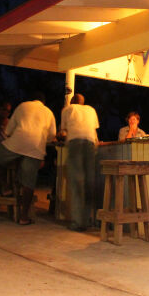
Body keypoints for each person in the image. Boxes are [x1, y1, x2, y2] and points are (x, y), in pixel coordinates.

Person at [0, 92, 56, 225]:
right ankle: (23, 217)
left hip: (17, 143)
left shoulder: (22, 106)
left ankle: (6, 186)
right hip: (36, 148)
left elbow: (8, 131)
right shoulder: (49, 112)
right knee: (29, 184)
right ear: (43, 102)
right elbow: (51, 135)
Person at [60, 93, 99, 232]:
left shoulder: (67, 109)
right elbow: (94, 133)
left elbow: (63, 132)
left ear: (71, 101)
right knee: (89, 183)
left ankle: (77, 222)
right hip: (90, 144)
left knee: (76, 183)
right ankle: (87, 220)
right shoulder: (91, 110)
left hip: (75, 143)